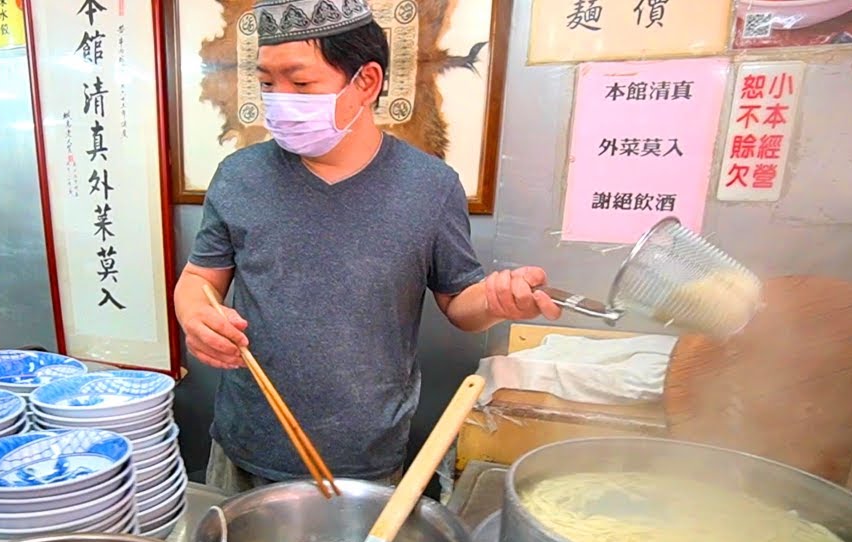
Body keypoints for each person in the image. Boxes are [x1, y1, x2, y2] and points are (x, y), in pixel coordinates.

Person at [173, 0, 561, 494]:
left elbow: (461, 305)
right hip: (246, 441)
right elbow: (200, 280)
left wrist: (497, 300)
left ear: (367, 81)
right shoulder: (239, 176)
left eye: (301, 82)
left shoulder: (431, 187)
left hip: (367, 455)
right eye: (267, 83)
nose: (279, 99)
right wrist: (194, 316)